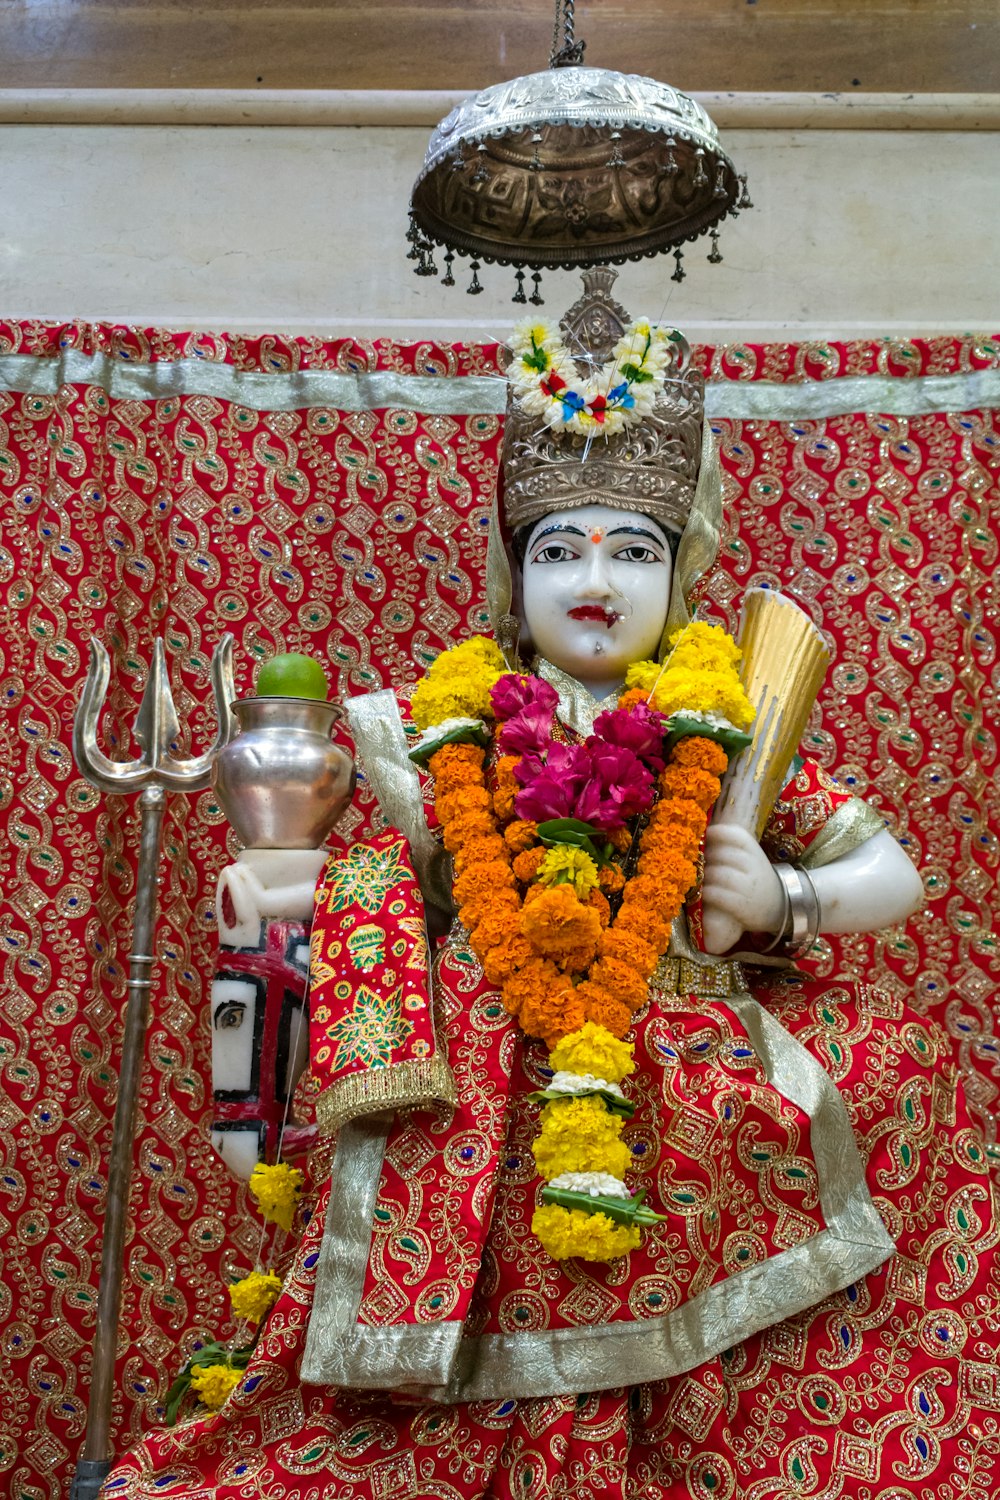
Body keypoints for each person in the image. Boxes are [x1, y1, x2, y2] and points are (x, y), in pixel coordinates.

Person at [106, 278, 1000, 1500]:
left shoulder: (725, 724)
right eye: (559, 548)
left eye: (632, 549)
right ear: (511, 573)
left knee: (886, 1074)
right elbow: (382, 890)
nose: (596, 576)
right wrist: (284, 890)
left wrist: (781, 896)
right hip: (487, 1040)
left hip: (690, 1028)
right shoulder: (433, 728)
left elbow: (890, 872)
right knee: (453, 1177)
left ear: (679, 574)